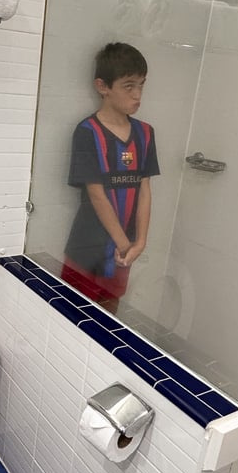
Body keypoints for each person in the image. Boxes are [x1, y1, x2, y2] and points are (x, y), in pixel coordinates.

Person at [62, 43, 159, 313]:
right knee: (71, 316)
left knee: (109, 317)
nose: (138, 95)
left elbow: (145, 190)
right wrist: (124, 242)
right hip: (87, 246)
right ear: (103, 87)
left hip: (123, 252)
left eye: (141, 85)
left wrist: (141, 241)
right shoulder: (87, 131)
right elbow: (96, 193)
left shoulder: (146, 134)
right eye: (129, 86)